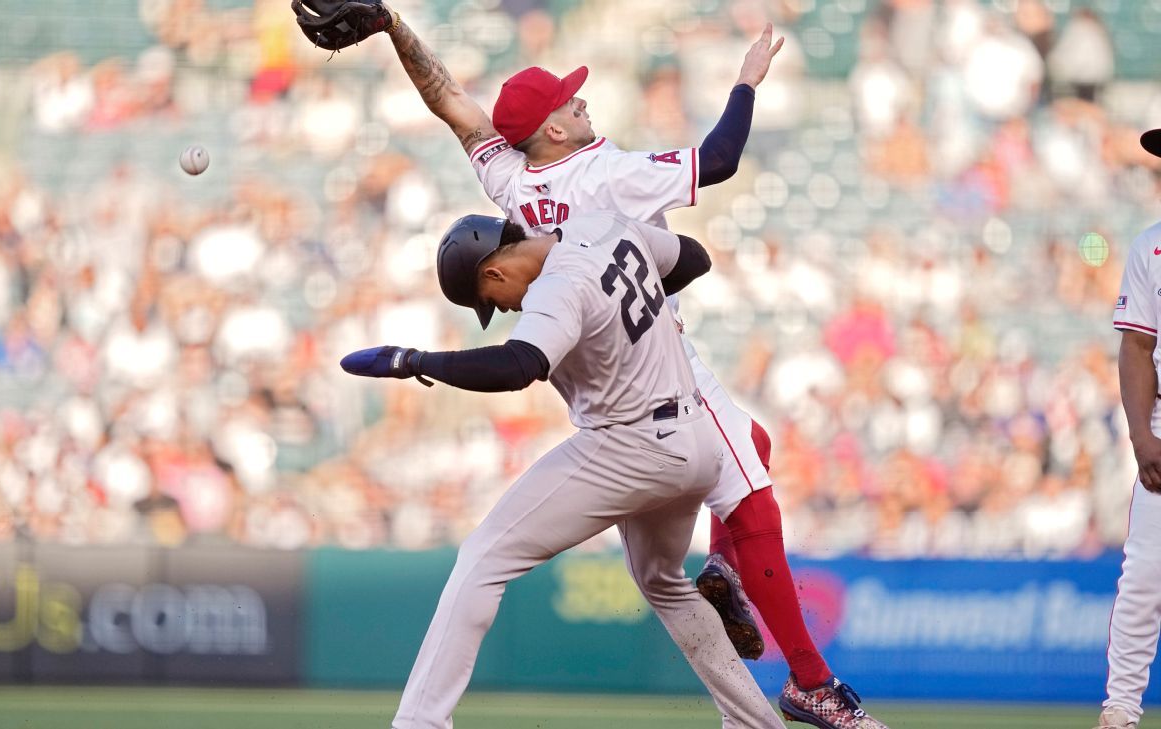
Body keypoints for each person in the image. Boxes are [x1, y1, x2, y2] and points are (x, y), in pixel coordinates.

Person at [333, 6, 887, 727]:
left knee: (490, 556)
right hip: (668, 376)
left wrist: (393, 31)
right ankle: (766, 692)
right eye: (570, 97)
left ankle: (790, 659)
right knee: (687, 538)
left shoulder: (515, 190)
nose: (582, 97)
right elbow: (705, 205)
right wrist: (746, 84)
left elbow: (453, 108)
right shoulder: (608, 185)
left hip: (624, 419)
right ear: (554, 131)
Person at [341, 210, 785, 729]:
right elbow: (693, 257)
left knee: (484, 557)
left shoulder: (555, 288)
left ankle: (419, 722)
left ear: (494, 273)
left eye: (490, 302)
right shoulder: (604, 228)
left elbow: (516, 367)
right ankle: (756, 723)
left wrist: (412, 360)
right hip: (695, 438)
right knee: (663, 581)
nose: (503, 309)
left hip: (633, 443)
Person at [1097, 127, 1161, 729]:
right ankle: (1119, 712)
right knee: (1144, 575)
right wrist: (1142, 436)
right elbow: (1137, 347)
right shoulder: (1152, 245)